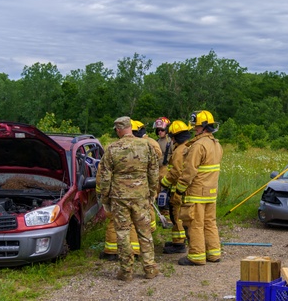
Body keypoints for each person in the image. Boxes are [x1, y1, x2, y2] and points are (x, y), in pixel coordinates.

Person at [96, 116, 159, 281]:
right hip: (141, 196)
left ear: (118, 130)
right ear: (131, 127)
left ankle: (126, 271)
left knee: (123, 233)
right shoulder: (146, 145)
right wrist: (152, 192)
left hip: (120, 197)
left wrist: (105, 198)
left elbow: (105, 176)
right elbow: (153, 171)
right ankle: (150, 268)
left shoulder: (112, 148)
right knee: (144, 232)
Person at [176, 110, 224, 266]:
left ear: (203, 127)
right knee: (210, 223)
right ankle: (214, 254)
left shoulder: (198, 146)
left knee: (195, 224)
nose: (194, 130)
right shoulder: (216, 144)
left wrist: (179, 189)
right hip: (211, 193)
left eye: (196, 127)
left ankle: (196, 256)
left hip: (197, 193)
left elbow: (189, 171)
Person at [160, 119, 193, 254]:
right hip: (186, 188)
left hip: (179, 189)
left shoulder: (179, 151)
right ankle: (178, 241)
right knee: (179, 215)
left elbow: (176, 172)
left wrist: (164, 183)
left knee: (176, 215)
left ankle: (179, 244)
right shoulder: (188, 146)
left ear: (175, 137)